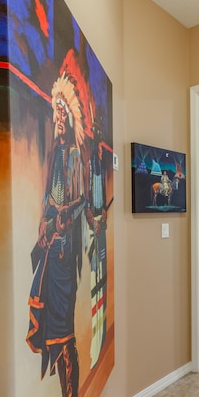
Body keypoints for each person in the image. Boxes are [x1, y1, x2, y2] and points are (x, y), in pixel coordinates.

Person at [26, 70, 86, 397]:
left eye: (62, 111)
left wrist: (66, 219)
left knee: (65, 333)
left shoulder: (75, 157)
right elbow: (51, 205)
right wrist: (47, 224)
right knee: (53, 328)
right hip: (51, 252)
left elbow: (78, 203)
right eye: (55, 111)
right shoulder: (55, 158)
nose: (58, 117)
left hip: (65, 257)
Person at [85, 136, 108, 370]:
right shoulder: (88, 168)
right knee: (95, 280)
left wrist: (104, 216)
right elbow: (85, 201)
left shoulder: (99, 169)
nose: (100, 152)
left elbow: (101, 204)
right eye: (98, 148)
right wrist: (93, 221)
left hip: (101, 231)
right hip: (93, 233)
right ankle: (94, 342)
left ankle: (101, 337)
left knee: (103, 279)